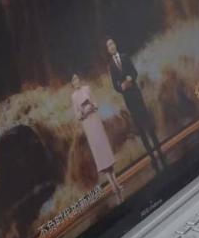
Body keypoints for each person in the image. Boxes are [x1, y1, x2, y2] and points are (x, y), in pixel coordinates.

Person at [106, 38, 167, 172]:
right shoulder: (111, 66)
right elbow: (115, 85)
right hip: (129, 100)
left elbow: (134, 72)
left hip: (137, 96)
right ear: (108, 50)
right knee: (140, 129)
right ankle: (152, 157)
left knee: (149, 125)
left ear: (115, 45)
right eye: (109, 46)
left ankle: (160, 152)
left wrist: (130, 78)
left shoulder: (125, 57)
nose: (111, 47)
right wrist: (121, 87)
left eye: (112, 44)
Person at [70, 74, 123, 204]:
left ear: (79, 80)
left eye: (77, 80)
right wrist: (83, 112)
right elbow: (77, 115)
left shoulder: (87, 88)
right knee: (99, 153)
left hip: (95, 121)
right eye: (74, 81)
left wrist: (92, 106)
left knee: (105, 150)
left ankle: (116, 182)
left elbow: (96, 103)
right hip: (88, 125)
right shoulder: (74, 97)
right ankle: (112, 185)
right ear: (72, 84)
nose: (76, 82)